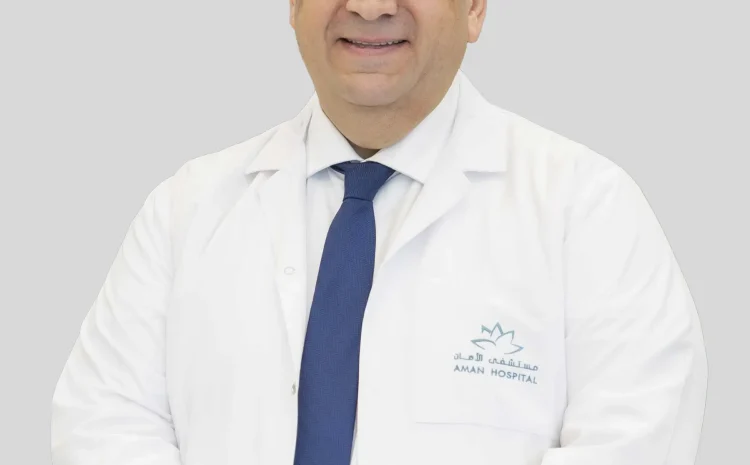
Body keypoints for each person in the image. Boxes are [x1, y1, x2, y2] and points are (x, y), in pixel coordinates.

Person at [50, 1, 708, 464]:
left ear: (475, 8)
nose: (369, 6)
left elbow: (634, 444)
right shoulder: (185, 210)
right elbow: (104, 428)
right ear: (293, 6)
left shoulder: (589, 210)